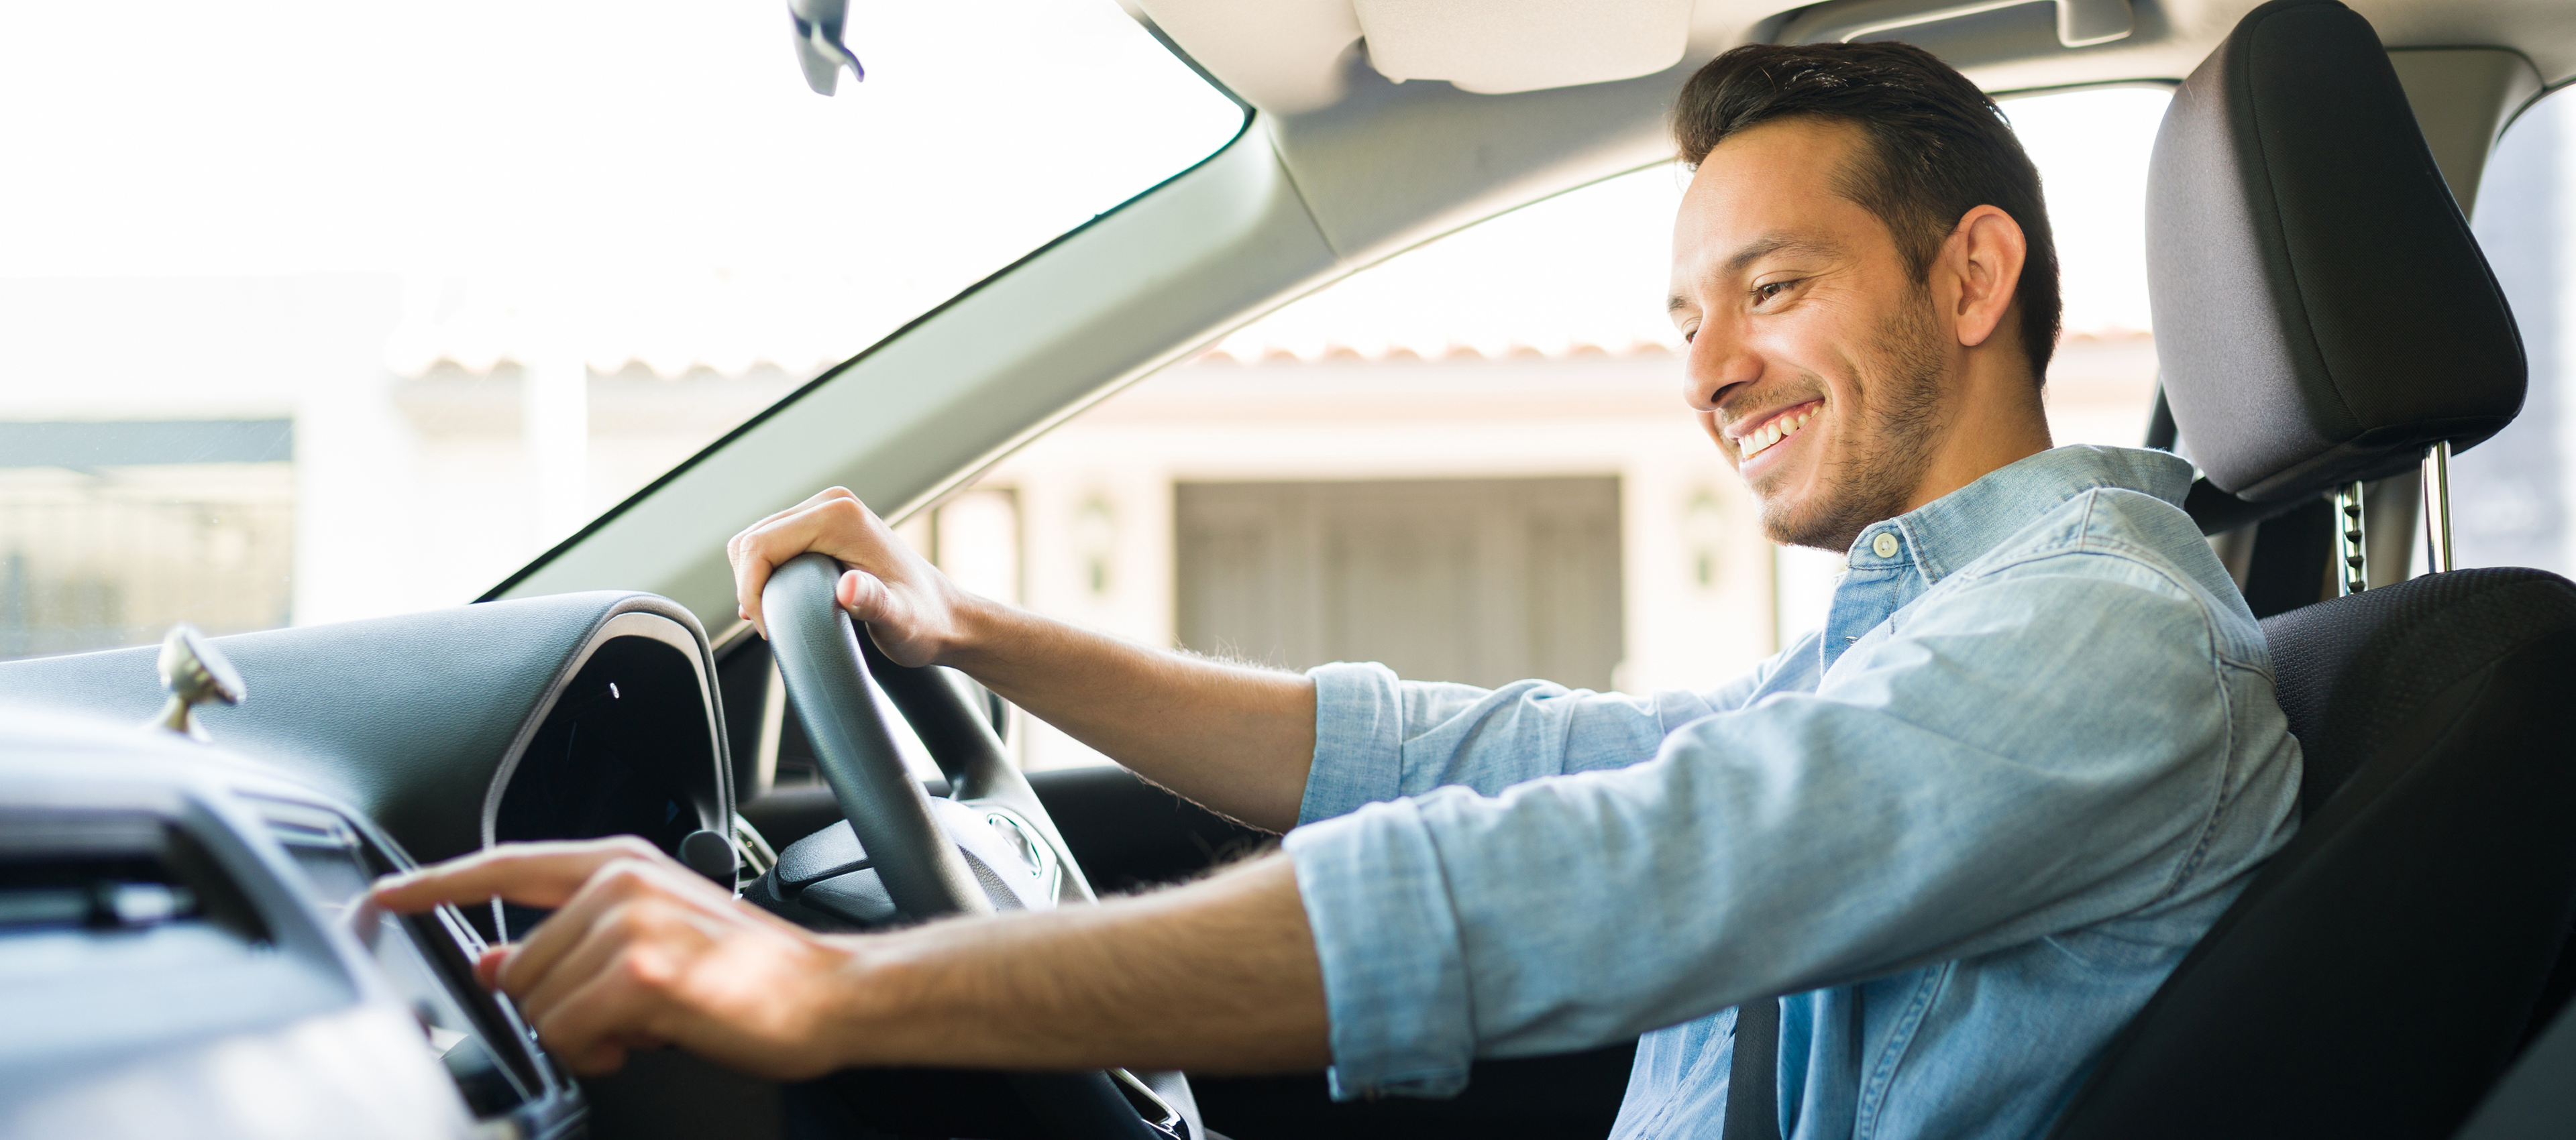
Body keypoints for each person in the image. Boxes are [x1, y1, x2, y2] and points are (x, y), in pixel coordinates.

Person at [376, 40, 2301, 1138]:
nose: (1710, 368)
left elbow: (1611, 868)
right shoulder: (1942, 632)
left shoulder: (2099, 639)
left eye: (1775, 289)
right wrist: (973, 631)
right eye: (1686, 314)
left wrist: (835, 980)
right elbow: (1500, 756)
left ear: (1971, 283)